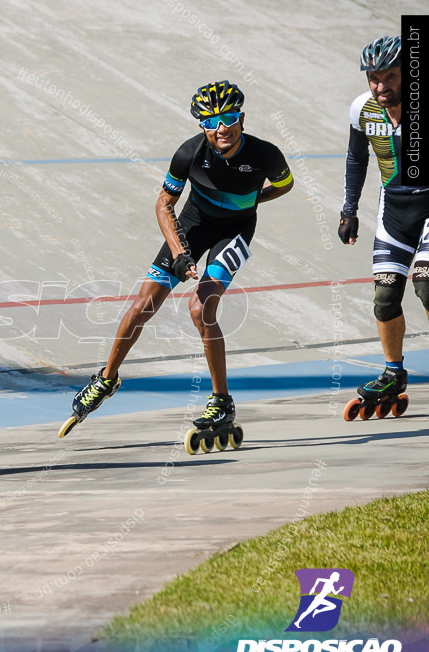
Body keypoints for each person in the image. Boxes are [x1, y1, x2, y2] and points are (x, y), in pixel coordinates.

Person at [61, 80, 293, 446]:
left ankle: (221, 401)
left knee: (201, 308)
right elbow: (163, 203)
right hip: (193, 224)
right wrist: (180, 252)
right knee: (143, 305)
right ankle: (106, 379)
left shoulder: (266, 155)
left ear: (242, 118)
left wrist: (250, 201)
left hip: (234, 231)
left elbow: (285, 185)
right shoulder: (188, 153)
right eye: (212, 121)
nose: (223, 128)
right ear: (202, 125)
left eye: (230, 118)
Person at [339, 35, 429, 418]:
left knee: (425, 284)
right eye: (373, 78)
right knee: (385, 296)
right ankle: (394, 372)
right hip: (394, 208)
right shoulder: (362, 110)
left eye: (389, 77)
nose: (380, 87)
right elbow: (356, 160)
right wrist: (349, 209)